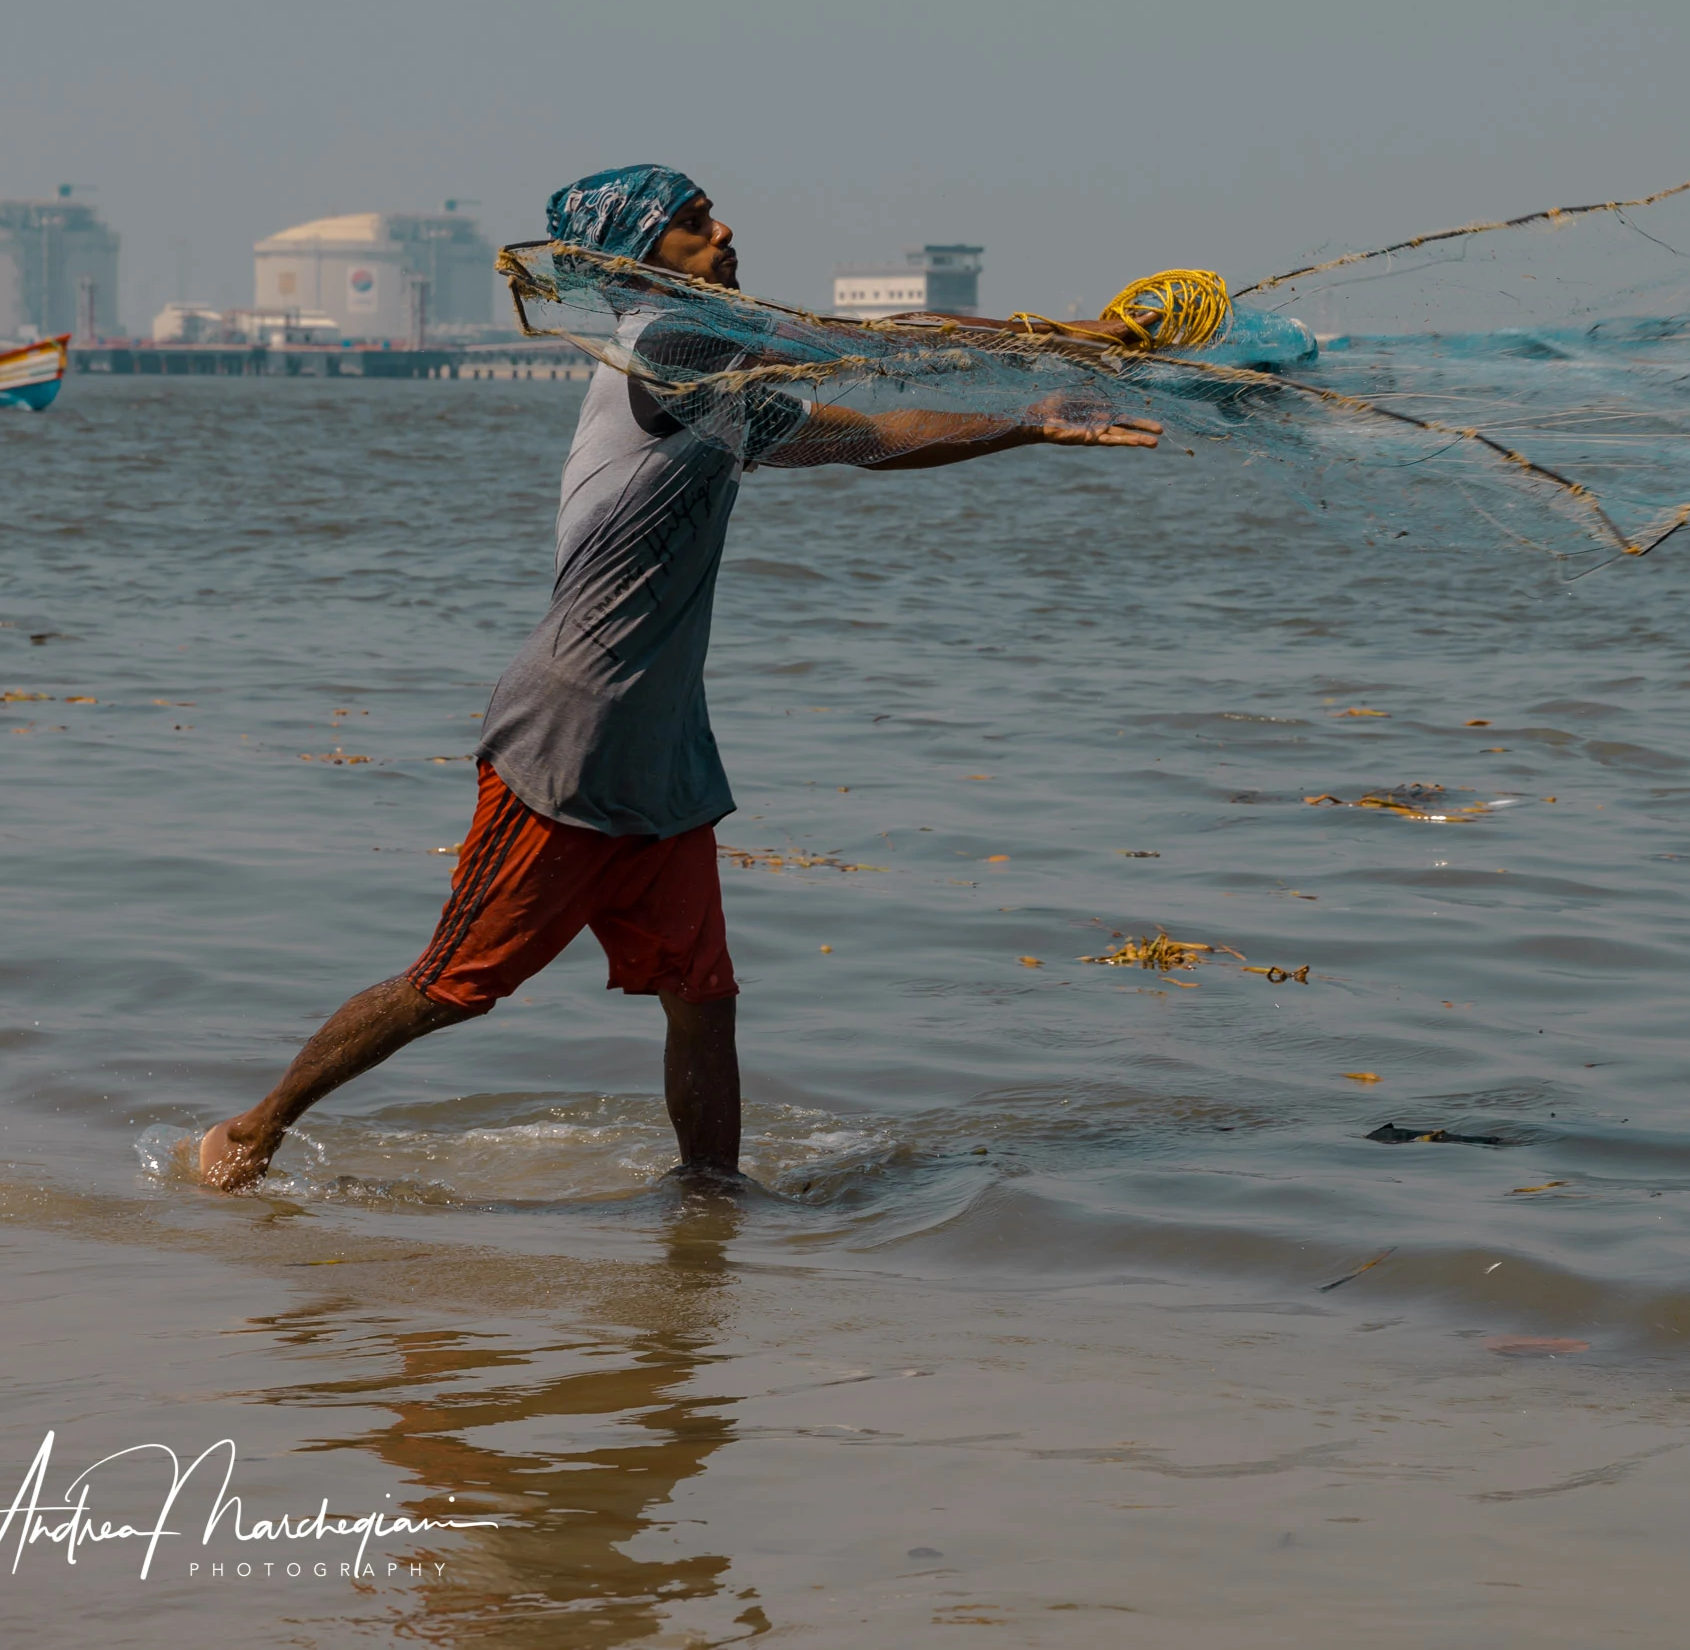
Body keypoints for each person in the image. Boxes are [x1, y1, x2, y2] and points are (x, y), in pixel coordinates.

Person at [181, 164, 1158, 1191]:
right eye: (692, 222)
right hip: (572, 737)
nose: (724, 227)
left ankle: (709, 1203)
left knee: (702, 995)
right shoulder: (666, 346)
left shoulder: (718, 397)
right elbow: (854, 345)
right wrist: (1059, 336)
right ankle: (252, 1130)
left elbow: (869, 438)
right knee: (451, 987)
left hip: (663, 751)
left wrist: (1029, 420)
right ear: (639, 260)